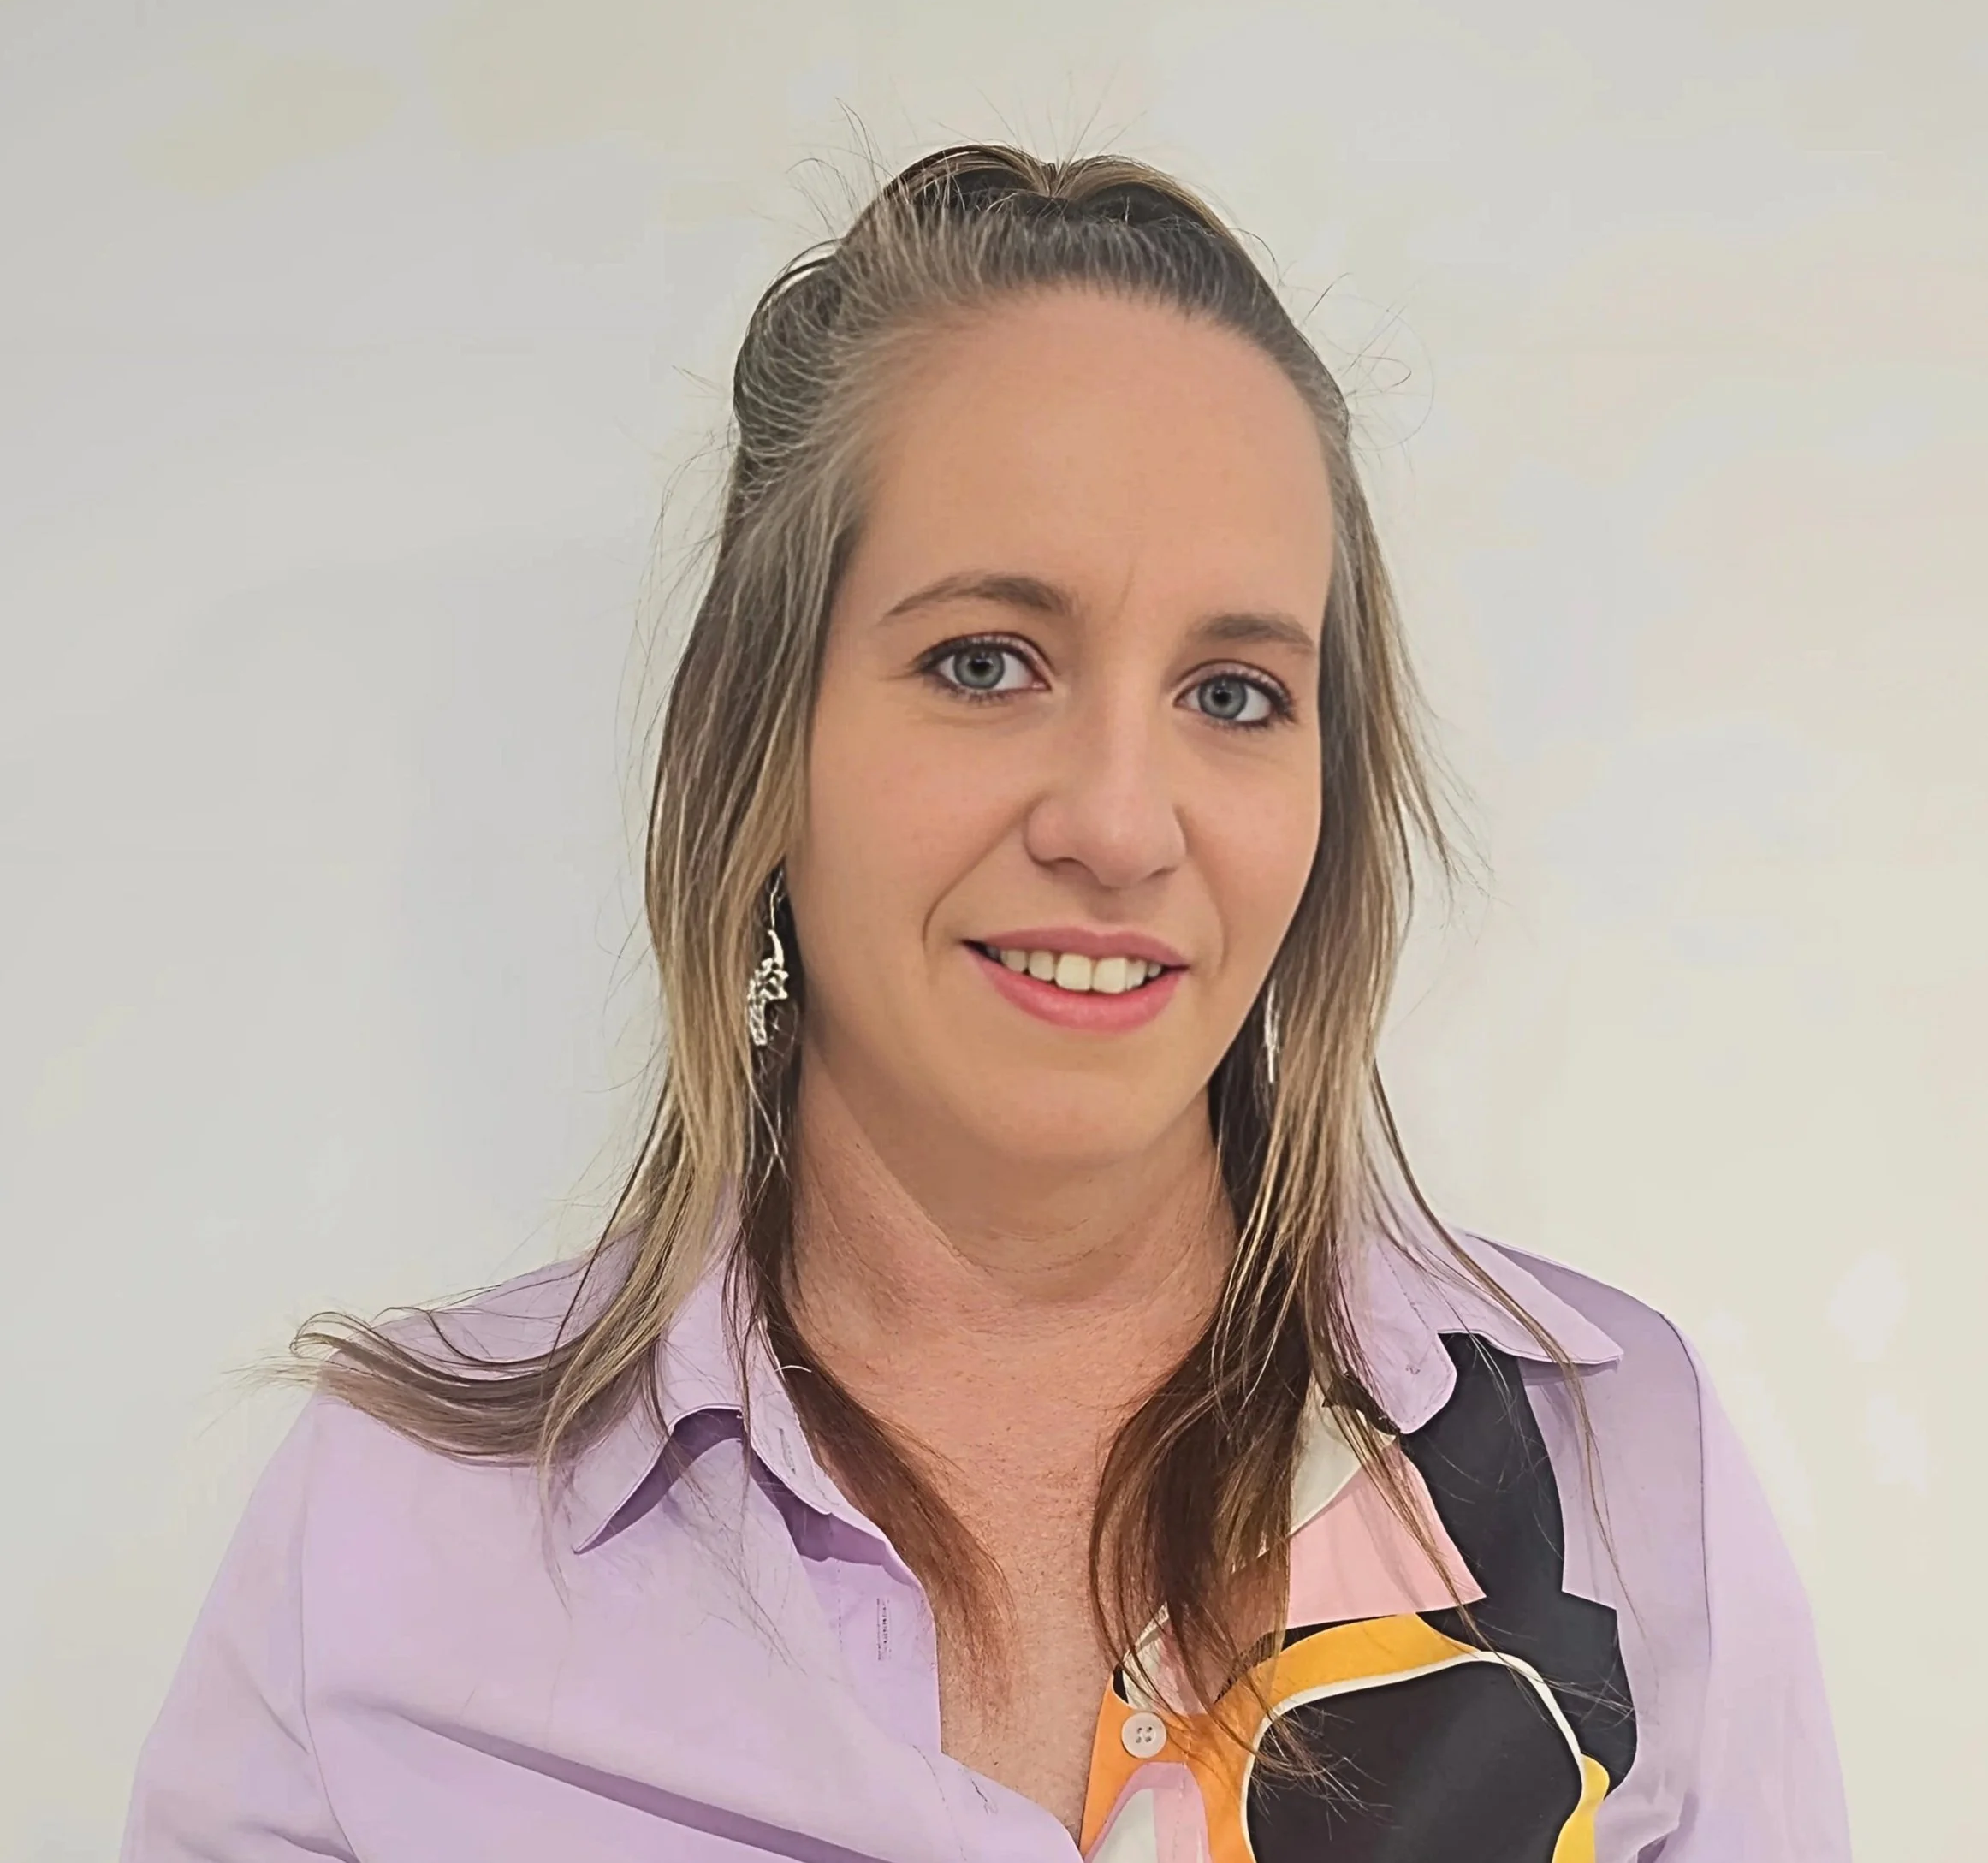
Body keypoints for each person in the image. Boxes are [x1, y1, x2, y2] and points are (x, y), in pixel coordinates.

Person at [122, 145, 1849, 1863]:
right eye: (983, 664)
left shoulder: (1619, 1476)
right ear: (761, 740)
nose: (1114, 820)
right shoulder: (398, 1532)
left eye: (1235, 693)